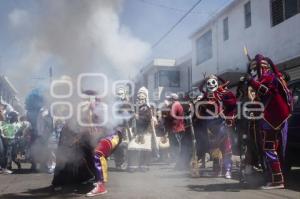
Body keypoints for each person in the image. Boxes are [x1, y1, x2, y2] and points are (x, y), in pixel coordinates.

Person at [243, 54, 292, 189]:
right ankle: (275, 178)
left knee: (269, 148)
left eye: (254, 70)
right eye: (251, 70)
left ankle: (277, 181)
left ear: (263, 68)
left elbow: (265, 91)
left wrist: (251, 81)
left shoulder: (269, 77)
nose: (252, 73)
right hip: (271, 118)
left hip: (273, 119)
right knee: (271, 148)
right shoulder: (269, 77)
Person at [198, 75, 237, 179]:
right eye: (208, 83)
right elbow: (200, 91)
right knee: (214, 149)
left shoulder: (223, 93)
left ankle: (227, 170)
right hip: (211, 126)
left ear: (217, 82)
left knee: (226, 148)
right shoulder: (205, 96)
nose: (211, 85)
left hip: (222, 124)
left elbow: (232, 102)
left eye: (213, 82)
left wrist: (219, 78)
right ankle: (216, 170)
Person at [86, 129, 123, 196]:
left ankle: (101, 186)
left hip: (111, 134)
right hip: (99, 135)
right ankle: (96, 177)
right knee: (87, 152)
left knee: (98, 153)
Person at [127, 87, 153, 172]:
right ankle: (133, 166)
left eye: (142, 98)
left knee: (144, 150)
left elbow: (147, 118)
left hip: (144, 131)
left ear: (145, 98)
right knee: (133, 148)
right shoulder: (135, 107)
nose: (140, 100)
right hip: (136, 131)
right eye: (139, 98)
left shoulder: (147, 108)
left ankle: (143, 166)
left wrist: (138, 117)